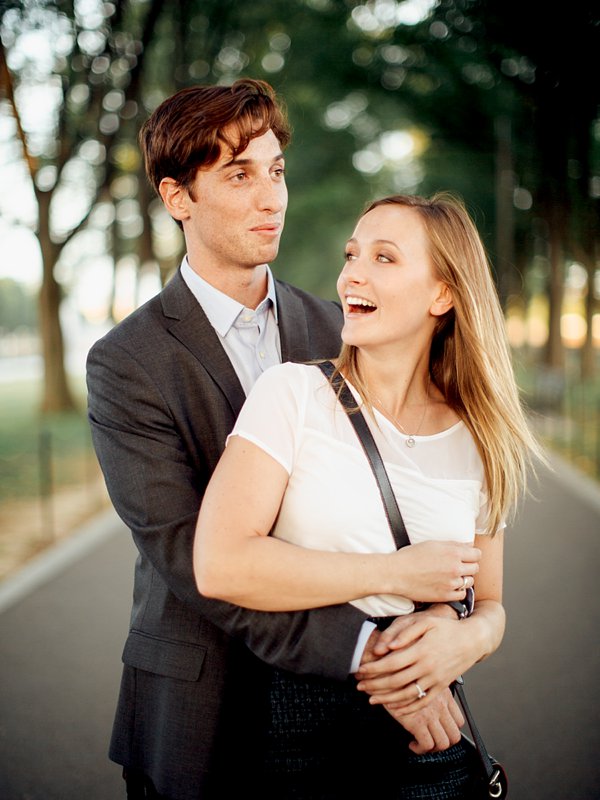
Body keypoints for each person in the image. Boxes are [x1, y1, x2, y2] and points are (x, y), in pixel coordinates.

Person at [86, 81, 468, 799]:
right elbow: (193, 558)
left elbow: (420, 507)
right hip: (200, 710)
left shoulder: (341, 328)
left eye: (276, 171)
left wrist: (464, 625)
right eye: (239, 175)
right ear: (178, 198)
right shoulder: (125, 362)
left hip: (346, 722)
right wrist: (375, 654)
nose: (271, 198)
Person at [194, 192, 541, 797]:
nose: (352, 271)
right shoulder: (292, 395)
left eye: (385, 257)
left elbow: (491, 602)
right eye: (352, 254)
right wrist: (396, 573)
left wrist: (470, 638)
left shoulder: (482, 441)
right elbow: (221, 563)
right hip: (298, 738)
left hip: (430, 742)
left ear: (442, 295)